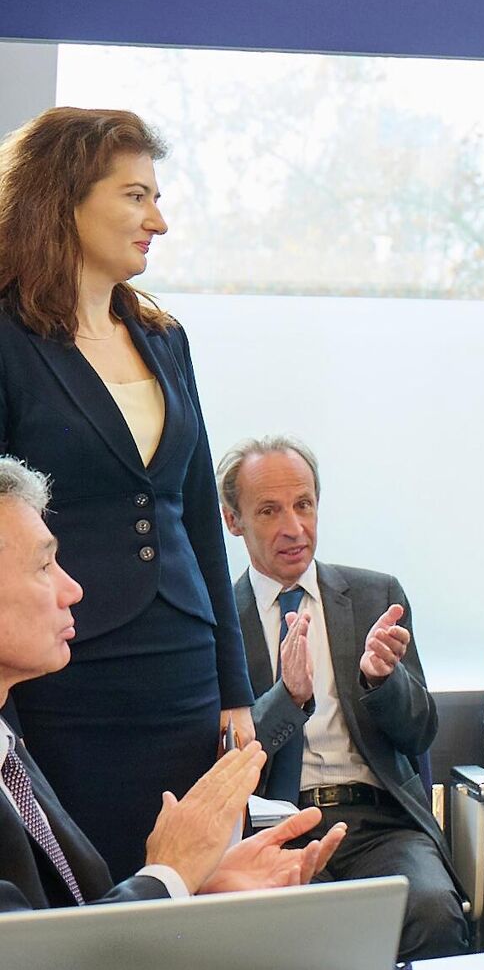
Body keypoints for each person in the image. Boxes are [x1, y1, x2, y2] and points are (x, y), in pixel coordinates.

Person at [0, 108, 253, 879]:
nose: (159, 221)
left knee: (194, 884)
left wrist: (235, 688)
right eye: (136, 195)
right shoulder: (7, 337)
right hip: (64, 680)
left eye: (157, 198)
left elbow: (197, 518)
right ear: (64, 197)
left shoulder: (164, 337)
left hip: (183, 672)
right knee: (85, 891)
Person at [0, 454, 344, 912]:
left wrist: (200, 888)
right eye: (44, 566)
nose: (74, 590)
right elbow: (36, 946)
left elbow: (72, 917)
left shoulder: (12, 756)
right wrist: (170, 873)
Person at [219, 435, 467, 960]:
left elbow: (420, 733)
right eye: (270, 511)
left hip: (380, 824)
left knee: (432, 911)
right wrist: (288, 698)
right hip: (277, 828)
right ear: (232, 520)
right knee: (301, 938)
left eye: (304, 505)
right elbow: (222, 758)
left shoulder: (376, 595)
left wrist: (382, 680)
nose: (294, 527)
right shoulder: (217, 619)